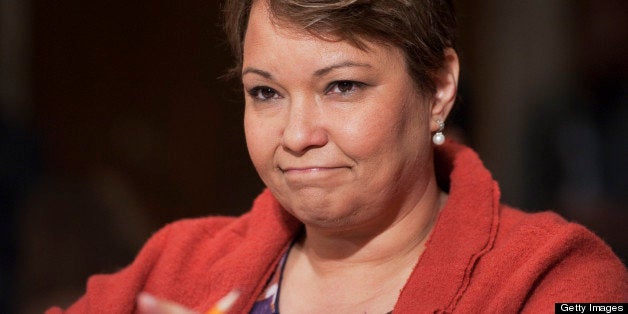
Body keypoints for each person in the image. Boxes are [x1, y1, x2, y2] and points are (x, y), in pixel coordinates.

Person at [48, 0, 627, 313]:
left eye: (342, 86)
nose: (297, 134)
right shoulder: (178, 266)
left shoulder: (557, 279)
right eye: (265, 93)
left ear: (440, 88)